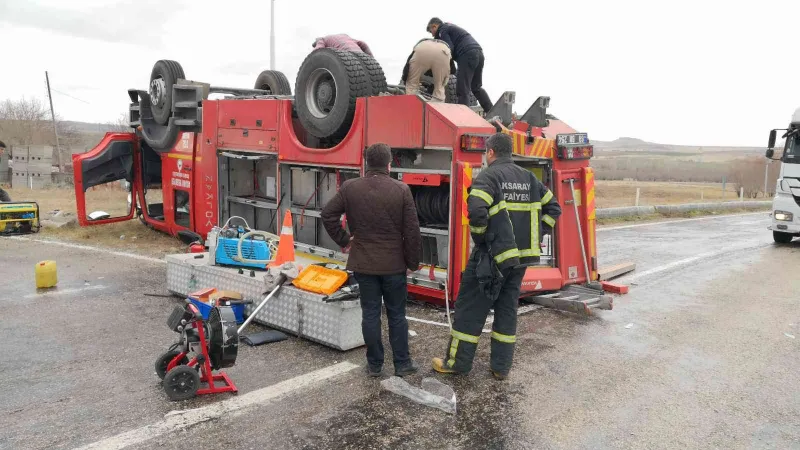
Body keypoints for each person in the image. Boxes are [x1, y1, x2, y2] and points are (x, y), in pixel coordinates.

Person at [432, 132, 562, 380]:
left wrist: (482, 241)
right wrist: (536, 236)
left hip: (491, 259)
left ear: (490, 152)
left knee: (470, 308)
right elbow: (554, 208)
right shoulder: (528, 178)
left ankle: (457, 363)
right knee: (506, 309)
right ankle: (501, 368)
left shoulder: (489, 176)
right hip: (520, 260)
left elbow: (477, 211)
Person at [321, 143, 422, 378]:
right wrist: (412, 263)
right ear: (389, 164)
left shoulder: (350, 188)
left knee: (370, 314)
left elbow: (328, 214)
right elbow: (412, 231)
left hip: (363, 264)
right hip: (394, 265)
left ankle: (375, 365)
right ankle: (402, 363)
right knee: (397, 314)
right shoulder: (402, 190)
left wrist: (344, 240)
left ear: (366, 163)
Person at [426, 18, 493, 113]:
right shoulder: (451, 27)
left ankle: (463, 117)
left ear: (434, 26)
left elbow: (449, 48)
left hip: (467, 54)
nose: (432, 34)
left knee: (462, 89)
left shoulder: (442, 30)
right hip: (479, 53)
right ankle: (492, 112)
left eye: (431, 31)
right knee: (476, 87)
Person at [401, 38, 456, 102]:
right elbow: (453, 70)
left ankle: (411, 105)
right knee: (439, 87)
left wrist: (405, 79)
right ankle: (436, 108)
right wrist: (441, 78)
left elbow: (407, 67)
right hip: (444, 50)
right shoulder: (444, 47)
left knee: (411, 85)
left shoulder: (421, 45)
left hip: (422, 49)